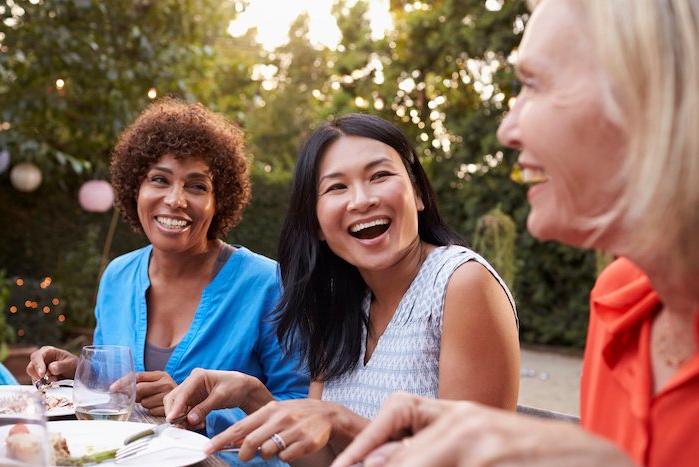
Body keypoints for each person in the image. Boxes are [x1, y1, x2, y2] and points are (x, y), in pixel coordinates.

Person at [332, 0, 699, 466]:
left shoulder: (457, 281)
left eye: (534, 84)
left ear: (658, 94)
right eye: (335, 187)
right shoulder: (619, 303)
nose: (507, 129)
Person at [164, 113, 520, 464]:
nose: (361, 200)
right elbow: (324, 460)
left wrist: (340, 421)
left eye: (379, 175)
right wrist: (254, 396)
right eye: (337, 187)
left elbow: (467, 460)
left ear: (418, 194)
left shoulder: (461, 283)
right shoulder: (338, 303)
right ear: (316, 223)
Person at [26, 98, 309, 437]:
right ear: (136, 188)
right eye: (159, 180)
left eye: (197, 185)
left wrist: (201, 413)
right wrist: (80, 375)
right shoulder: (117, 276)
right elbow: (114, 391)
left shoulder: (267, 285)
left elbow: (300, 409)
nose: (176, 199)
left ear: (220, 201)